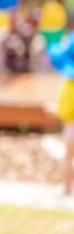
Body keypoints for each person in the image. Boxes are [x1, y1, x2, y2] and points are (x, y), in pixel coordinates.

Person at [48, 31, 74, 195]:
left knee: (69, 157)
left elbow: (64, 109)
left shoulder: (69, 86)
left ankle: (66, 189)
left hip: (72, 126)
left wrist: (52, 108)